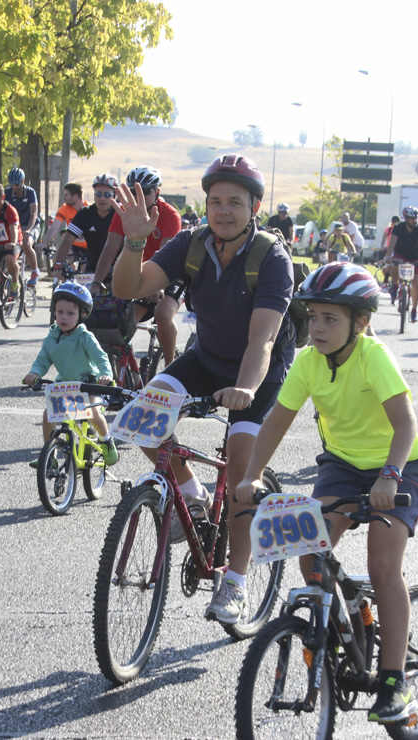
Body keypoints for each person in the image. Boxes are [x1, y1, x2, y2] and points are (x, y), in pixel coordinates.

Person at [235, 261, 418, 724]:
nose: (318, 328)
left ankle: (392, 682)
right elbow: (276, 420)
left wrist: (390, 477)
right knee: (309, 551)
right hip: (342, 466)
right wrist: (252, 474)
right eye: (313, 316)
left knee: (383, 566)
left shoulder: (374, 357)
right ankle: (343, 626)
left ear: (359, 323)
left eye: (330, 319)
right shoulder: (307, 362)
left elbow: (405, 425)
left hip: (397, 467)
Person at [110, 154, 294, 623]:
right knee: (138, 420)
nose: (223, 210)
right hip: (207, 358)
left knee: (238, 474)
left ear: (254, 207)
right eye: (215, 201)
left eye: (235, 202)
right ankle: (190, 495)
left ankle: (235, 581)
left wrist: (246, 390)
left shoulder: (271, 257)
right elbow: (129, 286)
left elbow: (264, 339)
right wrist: (134, 240)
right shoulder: (190, 244)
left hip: (260, 372)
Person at [93, 166, 182, 366]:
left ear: (157, 192)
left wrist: (156, 286)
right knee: (120, 323)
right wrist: (96, 282)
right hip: (141, 276)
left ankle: (171, 367)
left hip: (170, 274)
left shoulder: (170, 215)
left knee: (162, 314)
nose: (137, 196)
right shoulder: (124, 212)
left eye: (145, 191)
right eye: (133, 192)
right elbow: (110, 248)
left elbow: (167, 256)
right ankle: (127, 374)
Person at [22, 282, 118, 466]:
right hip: (65, 388)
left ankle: (106, 441)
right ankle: (49, 456)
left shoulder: (84, 337)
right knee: (48, 415)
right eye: (60, 312)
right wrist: (34, 373)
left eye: (70, 313)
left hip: (88, 386)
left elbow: (101, 358)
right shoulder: (51, 338)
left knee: (92, 412)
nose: (64, 317)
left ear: (82, 314)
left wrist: (106, 375)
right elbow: (42, 361)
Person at [51, 174, 119, 278]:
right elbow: (68, 240)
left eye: (107, 195)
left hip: (117, 270)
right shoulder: (84, 213)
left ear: (114, 196)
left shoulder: (120, 214)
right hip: (92, 269)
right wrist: (58, 263)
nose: (102, 198)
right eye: (98, 194)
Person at [385, 206, 418, 321]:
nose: (415, 221)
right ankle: (395, 285)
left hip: (415, 257)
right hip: (401, 254)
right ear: (406, 218)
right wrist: (388, 257)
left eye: (416, 218)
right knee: (394, 264)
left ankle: (414, 309)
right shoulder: (398, 227)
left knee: (416, 280)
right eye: (412, 218)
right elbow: (392, 242)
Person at [4, 167, 42, 286]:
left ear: (23, 181)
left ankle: (35, 271)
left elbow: (34, 214)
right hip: (16, 226)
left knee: (26, 243)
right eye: (13, 185)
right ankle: (10, 275)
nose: (15, 188)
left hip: (30, 224)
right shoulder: (8, 193)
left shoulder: (30, 192)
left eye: (18, 185)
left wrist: (28, 230)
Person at [43, 182, 87, 268]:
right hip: (72, 246)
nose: (63, 198)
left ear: (75, 196)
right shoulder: (64, 208)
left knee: (85, 269)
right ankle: (67, 280)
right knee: (58, 259)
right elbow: (54, 227)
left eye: (66, 195)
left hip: (88, 247)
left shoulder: (89, 209)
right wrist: (44, 242)